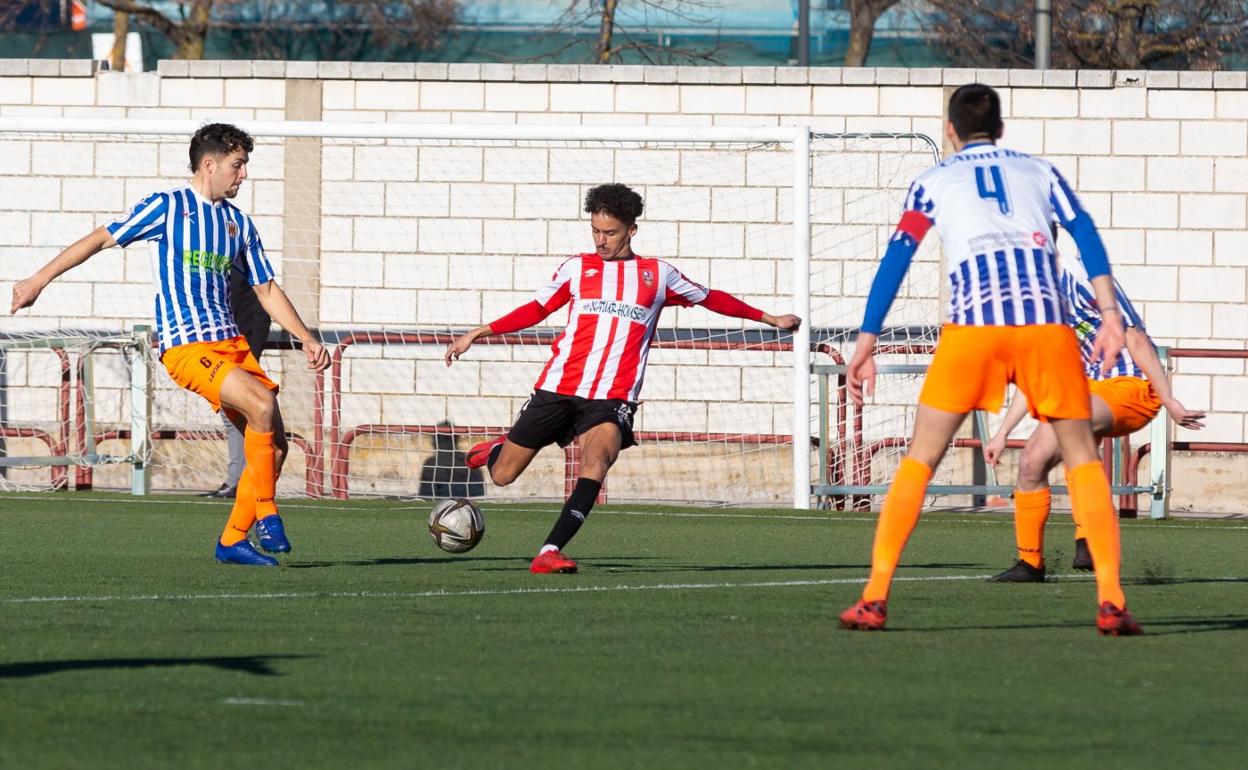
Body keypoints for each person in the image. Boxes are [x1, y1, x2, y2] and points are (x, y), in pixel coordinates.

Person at [838, 83, 1143, 635]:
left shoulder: (934, 179)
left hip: (973, 331)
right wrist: (1110, 313)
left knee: (920, 458)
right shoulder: (1040, 171)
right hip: (1043, 329)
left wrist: (867, 338)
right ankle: (1111, 600)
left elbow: (897, 256)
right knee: (1082, 460)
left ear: (950, 131)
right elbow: (1086, 234)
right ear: (1000, 128)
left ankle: (875, 596)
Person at [9, 123, 330, 567]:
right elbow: (102, 237)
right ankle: (267, 514)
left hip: (231, 343)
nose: (244, 175)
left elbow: (266, 288)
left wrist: (306, 337)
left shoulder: (238, 224)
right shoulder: (167, 207)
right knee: (260, 405)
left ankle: (233, 540)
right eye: (238, 166)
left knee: (276, 447)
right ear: (210, 164)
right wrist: (38, 279)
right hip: (187, 345)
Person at [444, 183, 801, 574]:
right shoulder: (575, 268)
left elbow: (711, 298)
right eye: (595, 231)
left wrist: (770, 319)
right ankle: (498, 449)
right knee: (503, 476)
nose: (601, 240)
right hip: (558, 387)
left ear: (632, 229)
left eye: (610, 232)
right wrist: (479, 332)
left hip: (612, 398)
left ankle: (549, 551)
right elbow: (536, 309)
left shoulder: (657, 275)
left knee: (597, 461)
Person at [982, 255, 1205, 581]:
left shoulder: (1084, 279)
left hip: (1129, 387)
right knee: (1031, 461)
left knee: (1071, 424)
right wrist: (1002, 433)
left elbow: (1135, 338)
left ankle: (1092, 535)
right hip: (1081, 394)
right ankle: (1030, 564)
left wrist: (1169, 400)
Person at [202, 262, 272, 499]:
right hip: (218, 352)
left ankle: (240, 482)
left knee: (246, 418)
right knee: (231, 417)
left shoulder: (243, 263)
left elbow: (263, 314)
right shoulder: (211, 265)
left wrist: (251, 354)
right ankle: (236, 482)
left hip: (240, 354)